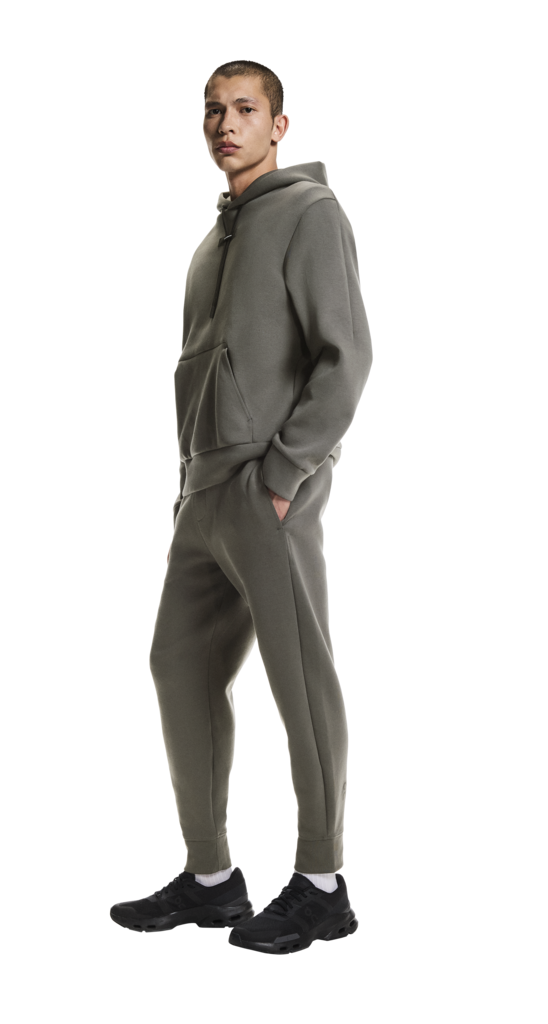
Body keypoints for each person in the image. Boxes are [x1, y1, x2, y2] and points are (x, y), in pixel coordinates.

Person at [109, 60, 374, 955]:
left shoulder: (310, 213)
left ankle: (322, 884)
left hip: (268, 488)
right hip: (200, 491)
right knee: (177, 666)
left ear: (279, 126)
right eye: (213, 110)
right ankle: (212, 877)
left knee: (300, 682)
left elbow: (347, 358)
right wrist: (193, 477)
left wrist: (284, 473)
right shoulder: (212, 238)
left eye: (245, 110)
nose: (225, 124)